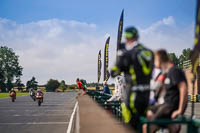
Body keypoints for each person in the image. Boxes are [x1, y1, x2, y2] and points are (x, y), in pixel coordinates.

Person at [111, 26, 154, 129]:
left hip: (133, 97)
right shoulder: (149, 52)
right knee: (145, 126)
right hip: (147, 95)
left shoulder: (127, 54)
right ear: (137, 37)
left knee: (130, 126)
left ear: (127, 38)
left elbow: (114, 72)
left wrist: (120, 55)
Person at [145, 49, 188, 133]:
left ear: (159, 59)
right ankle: (173, 126)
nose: (154, 63)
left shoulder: (174, 71)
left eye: (155, 60)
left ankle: (173, 126)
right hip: (166, 104)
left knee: (147, 127)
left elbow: (184, 89)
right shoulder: (167, 73)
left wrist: (180, 110)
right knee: (148, 112)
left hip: (170, 106)